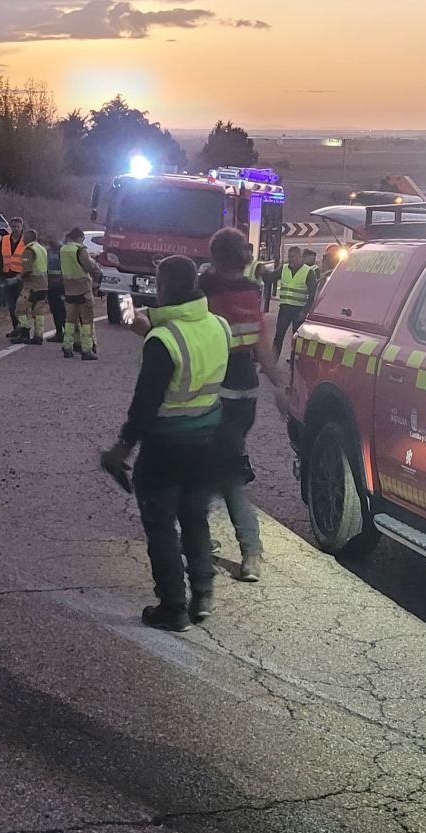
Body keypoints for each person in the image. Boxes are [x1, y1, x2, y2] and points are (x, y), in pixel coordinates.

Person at [101, 255, 231, 632]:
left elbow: (145, 405)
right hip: (207, 442)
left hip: (165, 448)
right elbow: (193, 353)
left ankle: (173, 606)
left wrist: (121, 448)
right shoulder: (218, 325)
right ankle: (202, 595)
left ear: (162, 288)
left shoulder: (162, 340)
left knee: (160, 526)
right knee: (195, 519)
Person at [198, 228, 290, 582]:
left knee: (218, 471)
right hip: (245, 392)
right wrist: (279, 385)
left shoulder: (202, 291)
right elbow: (262, 346)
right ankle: (233, 545)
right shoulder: (253, 293)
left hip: (211, 389)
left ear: (214, 255)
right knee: (222, 463)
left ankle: (249, 549)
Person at [58, 227, 104, 360]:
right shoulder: (79, 250)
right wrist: (97, 277)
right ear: (79, 237)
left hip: (68, 288)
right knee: (87, 320)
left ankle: (67, 347)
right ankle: (87, 349)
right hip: (83, 289)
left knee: (70, 320)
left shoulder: (63, 250)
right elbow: (90, 267)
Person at [272, 246, 317, 358]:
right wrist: (261, 271)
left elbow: (313, 295)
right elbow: (270, 277)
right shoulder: (284, 268)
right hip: (285, 309)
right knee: (279, 335)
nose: (290, 259)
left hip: (299, 310)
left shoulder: (309, 272)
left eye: (292, 257)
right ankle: (272, 361)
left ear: (299, 257)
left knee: (296, 339)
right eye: (289, 257)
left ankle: (294, 362)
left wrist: (305, 311)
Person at [18, 229, 52, 345]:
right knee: (38, 311)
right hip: (43, 284)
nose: (22, 240)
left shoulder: (29, 249)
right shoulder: (41, 248)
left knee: (20, 309)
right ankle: (38, 336)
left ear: (28, 238)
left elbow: (27, 269)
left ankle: (24, 334)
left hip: (31, 285)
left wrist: (17, 279)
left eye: (24, 238)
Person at [0, 218, 28, 338]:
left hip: (21, 277)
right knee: (11, 305)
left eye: (17, 226)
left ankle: (23, 329)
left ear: (21, 227)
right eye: (13, 226)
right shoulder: (4, 239)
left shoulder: (25, 241)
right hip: (7, 275)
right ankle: (16, 328)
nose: (15, 229)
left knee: (21, 305)